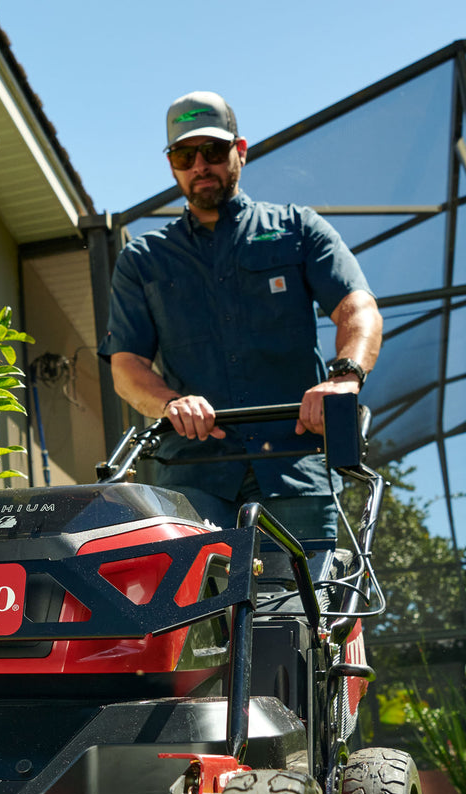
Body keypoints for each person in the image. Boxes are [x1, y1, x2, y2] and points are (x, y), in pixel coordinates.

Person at [101, 91, 382, 540]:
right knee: (196, 589)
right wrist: (171, 404)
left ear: (241, 151)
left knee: (303, 588)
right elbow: (126, 366)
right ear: (171, 164)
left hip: (295, 469)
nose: (199, 165)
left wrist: (344, 378)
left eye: (212, 151)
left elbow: (358, 308)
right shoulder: (143, 260)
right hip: (193, 480)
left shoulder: (298, 229)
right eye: (184, 155)